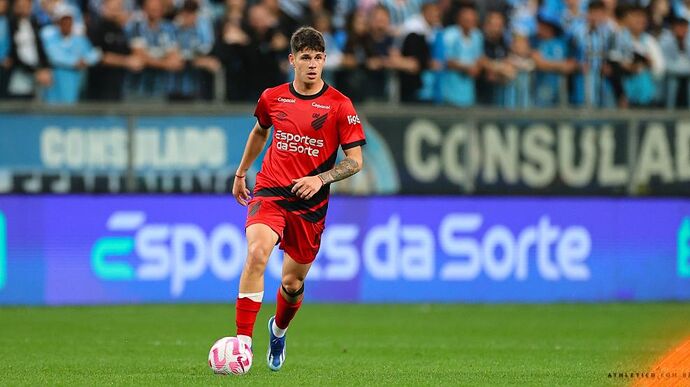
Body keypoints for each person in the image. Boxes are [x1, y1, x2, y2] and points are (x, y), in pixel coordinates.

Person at [230, 26, 366, 372]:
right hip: (271, 190)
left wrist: (320, 178)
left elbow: (355, 161)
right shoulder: (273, 98)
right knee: (257, 253)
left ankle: (278, 329)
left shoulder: (339, 105)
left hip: (310, 204)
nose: (312, 64)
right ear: (292, 60)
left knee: (292, 283)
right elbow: (260, 131)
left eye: (318, 58)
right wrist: (242, 171)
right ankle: (242, 345)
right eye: (305, 57)